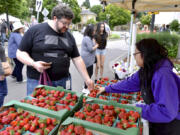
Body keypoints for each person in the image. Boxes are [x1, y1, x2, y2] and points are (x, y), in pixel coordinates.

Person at [97, 38, 180, 135]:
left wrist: (137, 108)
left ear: (144, 54)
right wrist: (106, 88)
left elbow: (167, 111)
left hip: (169, 126)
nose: (134, 57)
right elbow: (129, 83)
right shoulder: (147, 68)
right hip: (157, 120)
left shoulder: (163, 75)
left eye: (135, 54)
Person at [16, 4, 94, 95]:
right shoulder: (35, 30)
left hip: (63, 81)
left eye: (69, 23)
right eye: (64, 23)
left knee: (64, 108)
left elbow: (77, 58)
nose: (67, 26)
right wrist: (33, 63)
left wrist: (87, 79)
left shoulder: (69, 36)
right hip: (38, 82)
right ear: (55, 18)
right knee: (38, 108)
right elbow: (20, 53)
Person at [81, 24, 99, 89]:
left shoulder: (90, 38)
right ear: (90, 31)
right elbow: (90, 49)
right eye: (93, 31)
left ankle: (86, 86)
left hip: (89, 58)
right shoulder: (86, 38)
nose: (94, 32)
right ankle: (85, 88)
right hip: (87, 58)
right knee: (89, 73)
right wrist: (97, 46)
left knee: (89, 73)